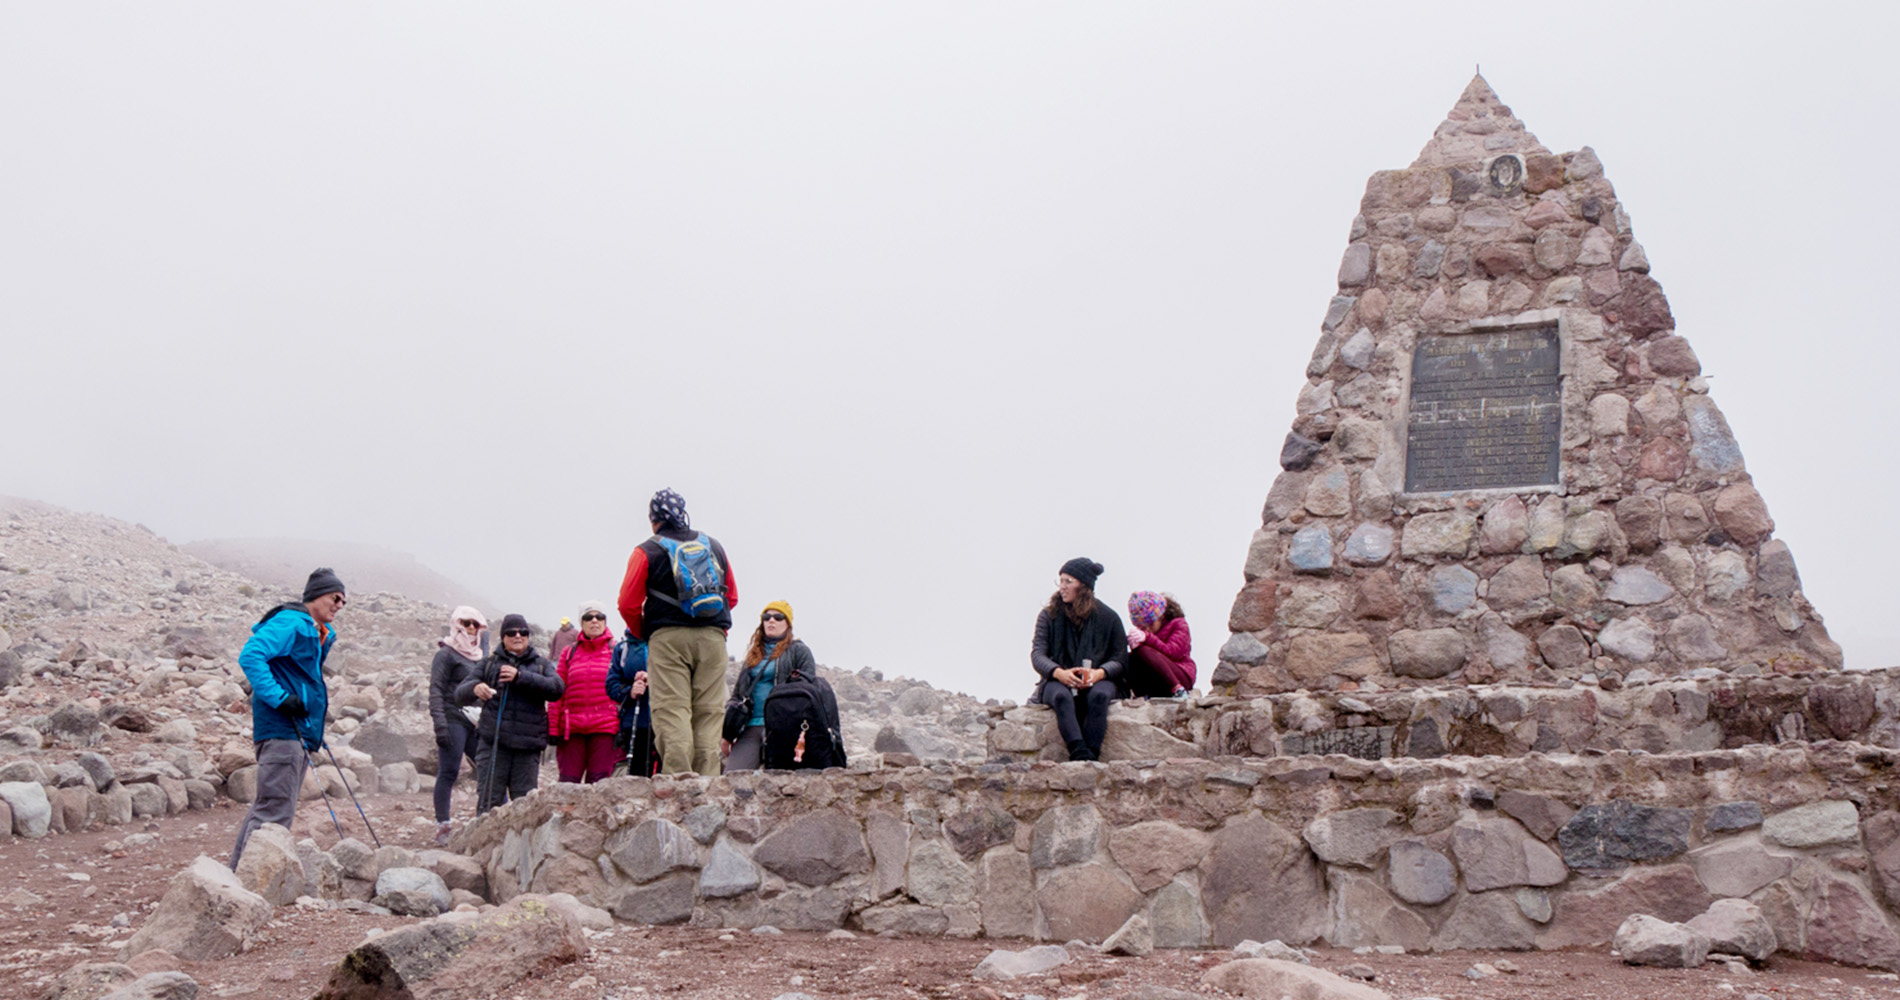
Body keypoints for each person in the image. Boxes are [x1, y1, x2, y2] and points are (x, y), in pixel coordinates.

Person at [616, 488, 737, 777]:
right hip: (712, 637)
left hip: (668, 639)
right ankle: (707, 782)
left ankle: (678, 783)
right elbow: (731, 596)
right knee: (708, 712)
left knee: (672, 709)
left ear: (653, 519)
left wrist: (646, 632)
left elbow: (627, 603)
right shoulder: (713, 546)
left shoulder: (646, 550)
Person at [229, 568, 344, 868]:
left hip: (295, 732)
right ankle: (249, 880)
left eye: (343, 601)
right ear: (316, 595)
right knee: (275, 811)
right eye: (335, 597)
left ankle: (238, 874)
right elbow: (251, 655)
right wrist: (280, 698)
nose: (339, 605)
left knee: (270, 806)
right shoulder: (292, 623)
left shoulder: (315, 632)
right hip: (282, 730)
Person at [457, 614, 564, 812]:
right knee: (489, 807)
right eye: (511, 632)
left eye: (523, 632)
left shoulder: (541, 664)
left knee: (523, 810)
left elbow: (557, 688)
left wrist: (521, 677)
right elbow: (459, 693)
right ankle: (486, 844)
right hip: (493, 746)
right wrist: (475, 688)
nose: (518, 636)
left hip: (527, 748)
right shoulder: (489, 663)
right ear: (503, 637)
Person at [1029, 557, 1127, 762]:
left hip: (1100, 679)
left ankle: (1092, 753)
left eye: (1068, 582)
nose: (1062, 587)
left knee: (1099, 696)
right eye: (1061, 581)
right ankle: (1079, 751)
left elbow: (1120, 658)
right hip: (1057, 679)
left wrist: (1099, 673)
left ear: (1083, 585)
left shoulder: (1108, 617)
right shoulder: (1049, 616)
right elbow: (1038, 654)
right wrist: (1059, 673)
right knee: (1061, 697)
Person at [722, 600, 817, 772]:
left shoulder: (799, 651)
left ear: (788, 624)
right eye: (767, 617)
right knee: (732, 778)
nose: (771, 621)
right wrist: (727, 734)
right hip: (751, 727)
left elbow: (808, 693)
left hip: (783, 727)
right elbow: (737, 695)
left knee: (781, 781)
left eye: (778, 617)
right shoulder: (753, 655)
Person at [428, 606, 487, 845]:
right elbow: (436, 689)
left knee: (486, 767)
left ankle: (488, 816)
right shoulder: (446, 654)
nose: (471, 628)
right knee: (449, 771)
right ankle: (443, 825)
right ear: (457, 624)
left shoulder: (479, 655)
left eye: (475, 623)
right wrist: (440, 724)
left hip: (476, 719)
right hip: (453, 718)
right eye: (466, 623)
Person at [549, 600, 622, 783]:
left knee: (599, 786)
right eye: (589, 617)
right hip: (572, 729)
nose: (594, 621)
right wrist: (552, 728)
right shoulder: (569, 653)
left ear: (605, 621)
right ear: (581, 623)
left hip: (606, 728)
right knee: (567, 785)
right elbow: (557, 693)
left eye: (599, 617)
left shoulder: (617, 651)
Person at [605, 630, 656, 777]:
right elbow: (611, 685)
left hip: (662, 720)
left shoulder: (665, 642)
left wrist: (652, 678)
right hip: (635, 721)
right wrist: (630, 691)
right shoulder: (623, 648)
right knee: (636, 774)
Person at [1125, 591, 1195, 698]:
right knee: (1131, 658)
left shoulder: (1179, 624)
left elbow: (1173, 653)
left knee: (1144, 651)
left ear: (1161, 616)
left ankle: (1178, 690)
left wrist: (1147, 638)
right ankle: (1142, 694)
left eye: (1150, 624)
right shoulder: (1146, 633)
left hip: (1180, 673)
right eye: (1142, 627)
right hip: (1157, 679)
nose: (1147, 629)